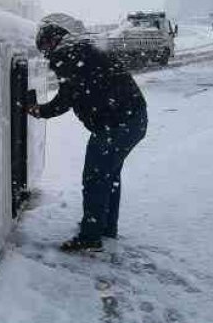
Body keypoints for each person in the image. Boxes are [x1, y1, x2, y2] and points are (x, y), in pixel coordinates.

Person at [27, 13, 148, 252]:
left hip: (115, 126)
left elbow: (65, 100)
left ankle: (90, 237)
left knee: (95, 178)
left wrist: (38, 110)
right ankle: (105, 227)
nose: (45, 55)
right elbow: (80, 90)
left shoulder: (67, 56)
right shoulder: (83, 50)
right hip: (133, 120)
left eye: (44, 49)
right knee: (108, 177)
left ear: (51, 42)